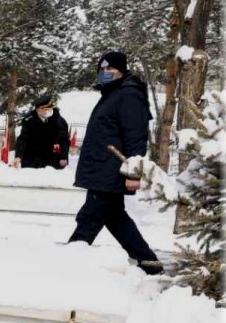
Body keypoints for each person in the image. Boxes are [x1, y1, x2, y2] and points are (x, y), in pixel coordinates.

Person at [68, 51, 163, 275]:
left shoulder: (128, 95)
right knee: (114, 217)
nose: (105, 73)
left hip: (111, 168)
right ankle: (149, 263)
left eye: (111, 69)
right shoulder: (112, 93)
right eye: (102, 70)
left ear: (122, 70)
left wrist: (133, 173)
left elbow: (135, 136)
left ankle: (70, 260)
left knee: (90, 217)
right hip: (102, 166)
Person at [14, 92, 71, 169]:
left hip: (52, 160)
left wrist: (63, 157)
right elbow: (23, 139)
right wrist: (18, 156)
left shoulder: (59, 121)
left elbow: (64, 140)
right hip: (33, 161)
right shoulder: (29, 121)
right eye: (46, 109)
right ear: (38, 110)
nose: (50, 111)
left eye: (50, 108)